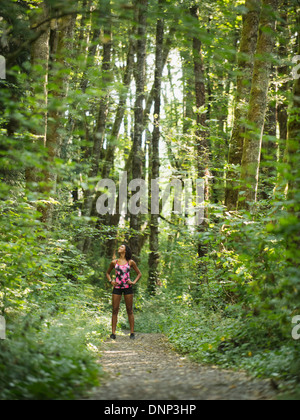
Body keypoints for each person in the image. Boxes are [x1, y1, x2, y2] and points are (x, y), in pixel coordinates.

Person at [106, 244, 142, 340]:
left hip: (127, 287)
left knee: (129, 310)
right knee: (115, 309)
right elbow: (107, 273)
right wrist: (111, 281)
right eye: (119, 247)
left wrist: (133, 282)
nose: (119, 248)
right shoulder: (114, 262)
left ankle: (132, 333)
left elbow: (139, 273)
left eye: (122, 247)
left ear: (125, 250)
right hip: (117, 288)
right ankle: (113, 333)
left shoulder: (130, 262)